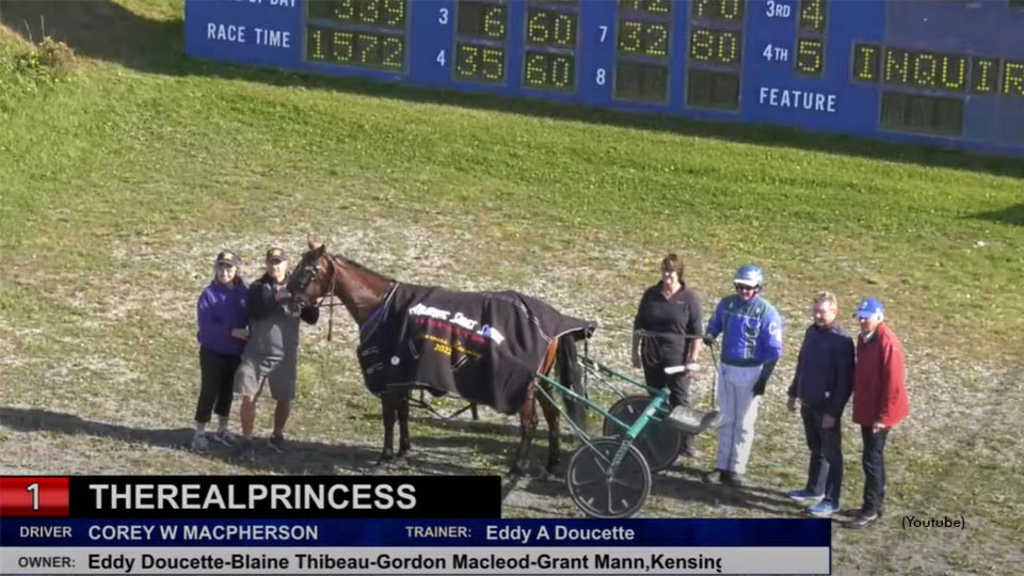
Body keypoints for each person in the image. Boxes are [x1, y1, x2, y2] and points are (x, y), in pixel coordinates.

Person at [234, 247, 320, 461]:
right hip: (256, 352)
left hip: (285, 355)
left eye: (279, 262)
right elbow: (256, 311)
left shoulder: (298, 287)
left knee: (284, 398)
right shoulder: (257, 287)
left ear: (286, 264)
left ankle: (277, 435)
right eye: (272, 262)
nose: (275, 266)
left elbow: (312, 317)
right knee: (248, 396)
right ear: (267, 264)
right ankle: (246, 440)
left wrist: (307, 301)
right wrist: (278, 298)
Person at [701, 264, 783, 487]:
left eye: (748, 288)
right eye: (740, 287)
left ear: (758, 288)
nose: (744, 292)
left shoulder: (767, 313)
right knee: (726, 418)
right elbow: (715, 322)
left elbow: (774, 350)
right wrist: (710, 334)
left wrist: (763, 378)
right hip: (727, 367)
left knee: (745, 422)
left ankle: (737, 467)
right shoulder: (726, 304)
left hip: (752, 371)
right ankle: (721, 466)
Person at [785, 291, 855, 518]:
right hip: (808, 401)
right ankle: (813, 488)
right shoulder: (810, 333)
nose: (818, 315)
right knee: (816, 448)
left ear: (834, 312)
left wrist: (833, 411)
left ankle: (831, 500)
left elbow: (845, 381)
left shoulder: (841, 340)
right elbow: (802, 364)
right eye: (815, 310)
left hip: (826, 407)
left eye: (822, 312)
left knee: (832, 453)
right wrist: (794, 392)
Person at [631, 253, 704, 457]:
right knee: (654, 398)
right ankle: (660, 439)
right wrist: (635, 353)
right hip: (651, 356)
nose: (667, 275)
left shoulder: (689, 299)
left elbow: (696, 333)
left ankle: (686, 443)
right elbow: (638, 325)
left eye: (671, 271)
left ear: (679, 274)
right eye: (664, 270)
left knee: (680, 399)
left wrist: (692, 359)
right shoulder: (651, 295)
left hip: (677, 358)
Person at [849, 297, 909, 529]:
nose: (863, 321)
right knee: (874, 456)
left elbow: (894, 384)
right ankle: (876, 503)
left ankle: (870, 508)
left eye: (867, 317)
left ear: (879, 317)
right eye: (860, 317)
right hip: (870, 407)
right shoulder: (865, 339)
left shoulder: (887, 343)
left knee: (871, 458)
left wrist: (883, 418)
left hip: (879, 413)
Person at [192, 250, 249, 452]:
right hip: (212, 352)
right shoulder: (208, 295)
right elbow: (206, 329)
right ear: (215, 269)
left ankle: (222, 429)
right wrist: (232, 331)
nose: (224, 272)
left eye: (229, 268)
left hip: (235, 352)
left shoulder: (244, 292)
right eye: (221, 267)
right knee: (209, 391)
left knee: (227, 392)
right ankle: (199, 432)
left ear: (236, 269)